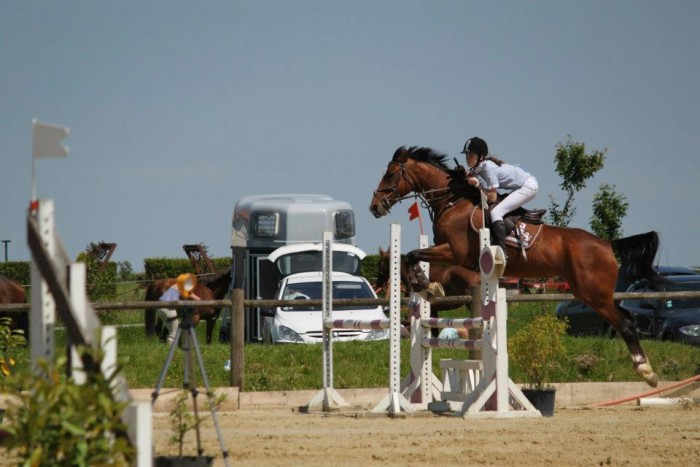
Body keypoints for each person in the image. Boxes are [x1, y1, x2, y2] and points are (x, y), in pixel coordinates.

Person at [461, 136, 538, 257]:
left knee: (496, 212)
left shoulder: (487, 168)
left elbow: (492, 198)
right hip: (521, 185)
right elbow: (470, 175)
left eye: (470, 155)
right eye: (466, 155)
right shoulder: (479, 166)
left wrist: (477, 184)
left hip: (528, 187)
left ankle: (502, 252)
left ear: (481, 157)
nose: (467, 158)